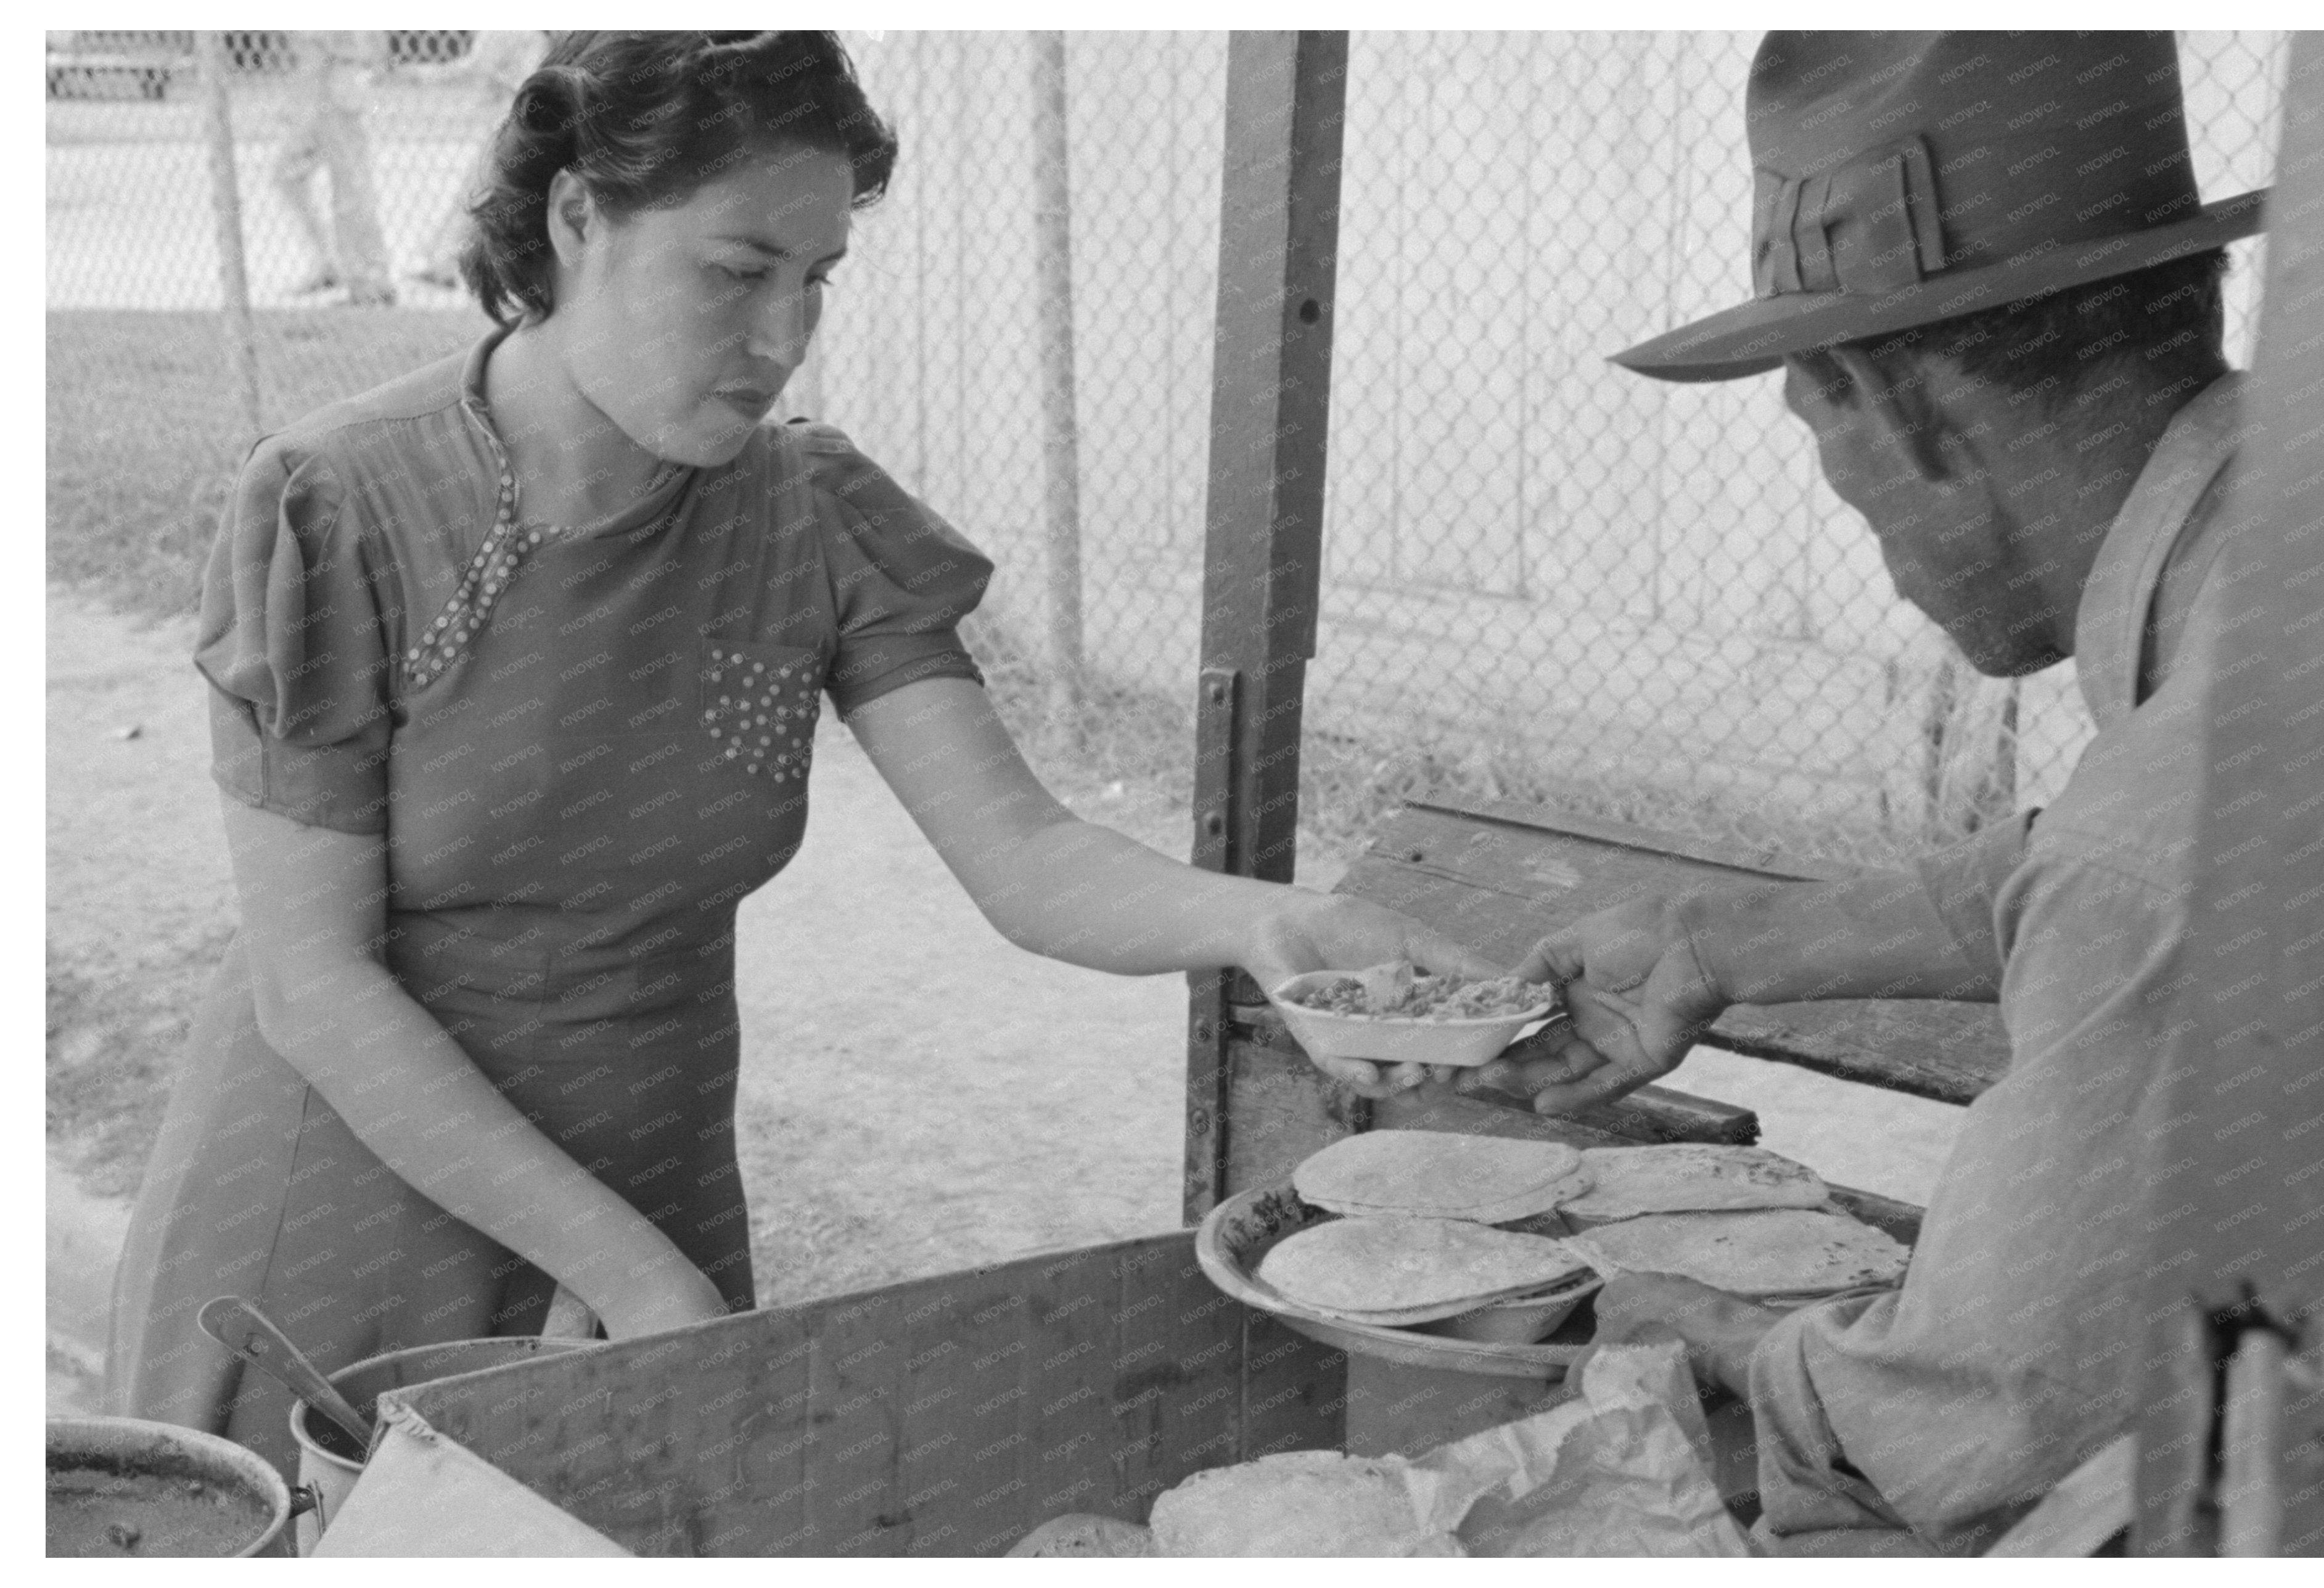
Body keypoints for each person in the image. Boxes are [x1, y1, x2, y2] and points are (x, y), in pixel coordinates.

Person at [108, 30, 1493, 1480]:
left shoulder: (809, 512)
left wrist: (1277, 926)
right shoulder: (345, 501)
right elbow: (313, 983)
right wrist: (632, 1273)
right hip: (354, 1203)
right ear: (578, 217)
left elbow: (1026, 861)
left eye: (817, 278)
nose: (783, 338)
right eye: (736, 271)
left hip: (651, 1183)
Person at [1311, 31, 2276, 1553]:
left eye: (1812, 420)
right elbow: (2099, 872)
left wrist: (1711, 1334)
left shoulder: (2175, 830)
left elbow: (1986, 1431)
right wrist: (1718, 940)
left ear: (1887, 406)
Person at [408, 30, 549, 292]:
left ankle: (447, 261)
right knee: (486, 190)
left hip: (512, 120)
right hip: (522, 117)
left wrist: (424, 74)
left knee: (479, 190)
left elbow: (475, 67)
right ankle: (448, 261)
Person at [271, 30, 396, 305]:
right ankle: (329, 263)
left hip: (335, 86)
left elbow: (319, 50)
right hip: (324, 86)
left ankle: (372, 280)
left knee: (351, 191)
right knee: (287, 176)